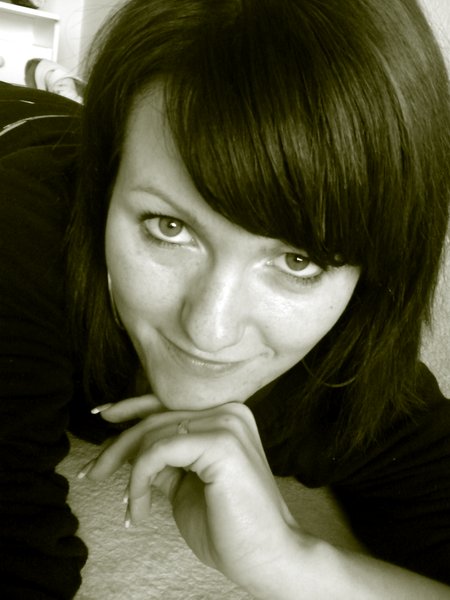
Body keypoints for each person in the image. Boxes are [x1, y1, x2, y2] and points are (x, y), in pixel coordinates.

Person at [1, 0, 450, 598]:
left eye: (298, 260)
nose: (208, 332)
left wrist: (292, 562)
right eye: (169, 227)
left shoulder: (349, 369)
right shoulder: (23, 244)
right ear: (105, 187)